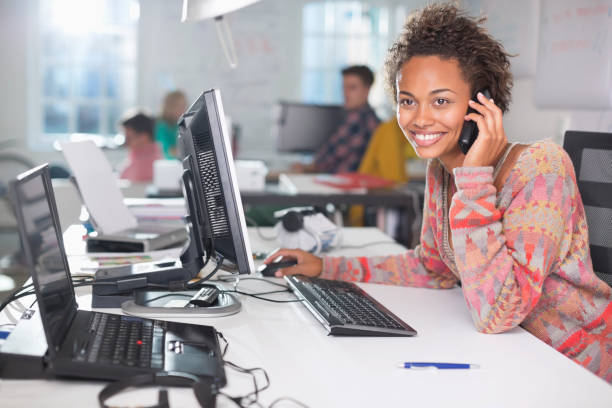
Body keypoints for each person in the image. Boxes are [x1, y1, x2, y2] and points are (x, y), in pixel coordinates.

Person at [264, 4, 612, 383]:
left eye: (441, 101)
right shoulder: (441, 171)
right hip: (506, 357)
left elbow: (498, 312)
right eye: (407, 100)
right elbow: (431, 270)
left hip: (572, 368)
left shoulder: (542, 168)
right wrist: (326, 268)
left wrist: (474, 180)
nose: (420, 119)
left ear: (480, 105)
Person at [292, 65, 381, 174]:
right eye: (343, 87)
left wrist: (308, 168)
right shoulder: (371, 118)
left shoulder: (358, 120)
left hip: (342, 185)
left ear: (367, 90)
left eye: (352, 88)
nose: (345, 93)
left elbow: (326, 158)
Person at [118, 112, 161, 182]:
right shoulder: (156, 156)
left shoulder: (143, 166)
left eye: (129, 138)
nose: (125, 143)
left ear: (144, 137)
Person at [155, 90, 187, 159]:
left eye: (183, 105)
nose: (182, 109)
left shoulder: (180, 123)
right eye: (177, 106)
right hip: (169, 163)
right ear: (169, 107)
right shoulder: (162, 126)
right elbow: (169, 151)